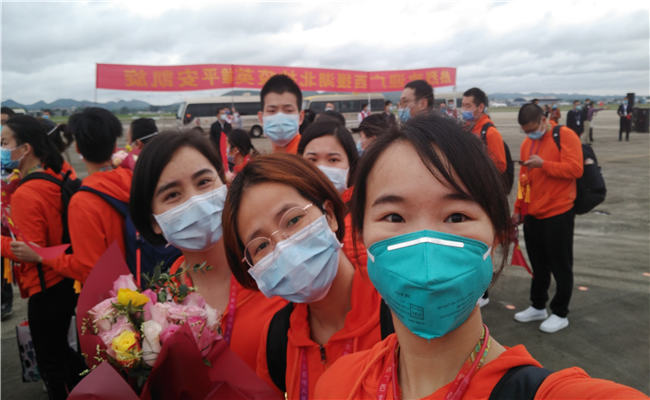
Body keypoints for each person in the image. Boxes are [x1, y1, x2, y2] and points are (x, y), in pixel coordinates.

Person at [313, 112, 645, 400]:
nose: (426, 247)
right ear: (361, 233)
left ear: (496, 233)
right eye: (394, 217)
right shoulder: (337, 383)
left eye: (457, 216)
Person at [221, 153, 388, 398]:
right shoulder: (277, 340)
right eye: (261, 246)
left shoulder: (398, 311)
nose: (283, 247)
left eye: (293, 220)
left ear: (329, 215)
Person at [129, 130, 285, 371]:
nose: (195, 200)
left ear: (225, 184)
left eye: (203, 182)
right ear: (154, 222)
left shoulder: (279, 269)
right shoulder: (160, 305)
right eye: (172, 195)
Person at [2, 115, 85, 399]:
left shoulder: (26, 193)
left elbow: (28, 251)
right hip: (63, 280)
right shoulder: (53, 177)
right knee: (62, 351)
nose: (2, 149)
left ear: (25, 148)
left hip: (45, 286)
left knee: (51, 361)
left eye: (4, 142)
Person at [11, 108, 131, 284]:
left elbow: (88, 269)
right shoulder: (134, 180)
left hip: (114, 292)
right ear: (114, 146)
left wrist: (42, 255)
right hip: (142, 283)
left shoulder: (84, 201)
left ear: (77, 148)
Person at [513, 103, 583, 333]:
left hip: (559, 212)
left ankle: (560, 312)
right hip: (533, 214)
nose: (529, 134)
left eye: (532, 129)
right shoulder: (526, 144)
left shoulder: (564, 135)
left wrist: (544, 165)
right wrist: (518, 208)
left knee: (561, 265)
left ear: (543, 120)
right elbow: (524, 180)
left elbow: (575, 169)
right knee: (538, 264)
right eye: (525, 131)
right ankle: (538, 305)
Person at [461, 88, 507, 174]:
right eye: (463, 105)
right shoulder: (466, 129)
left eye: (468, 106)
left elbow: (500, 166)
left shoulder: (491, 133)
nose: (464, 110)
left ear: (481, 107)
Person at [258, 74, 304, 154]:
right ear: (261, 118)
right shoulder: (268, 158)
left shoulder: (308, 155)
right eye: (272, 111)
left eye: (288, 110)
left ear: (301, 117)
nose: (280, 117)